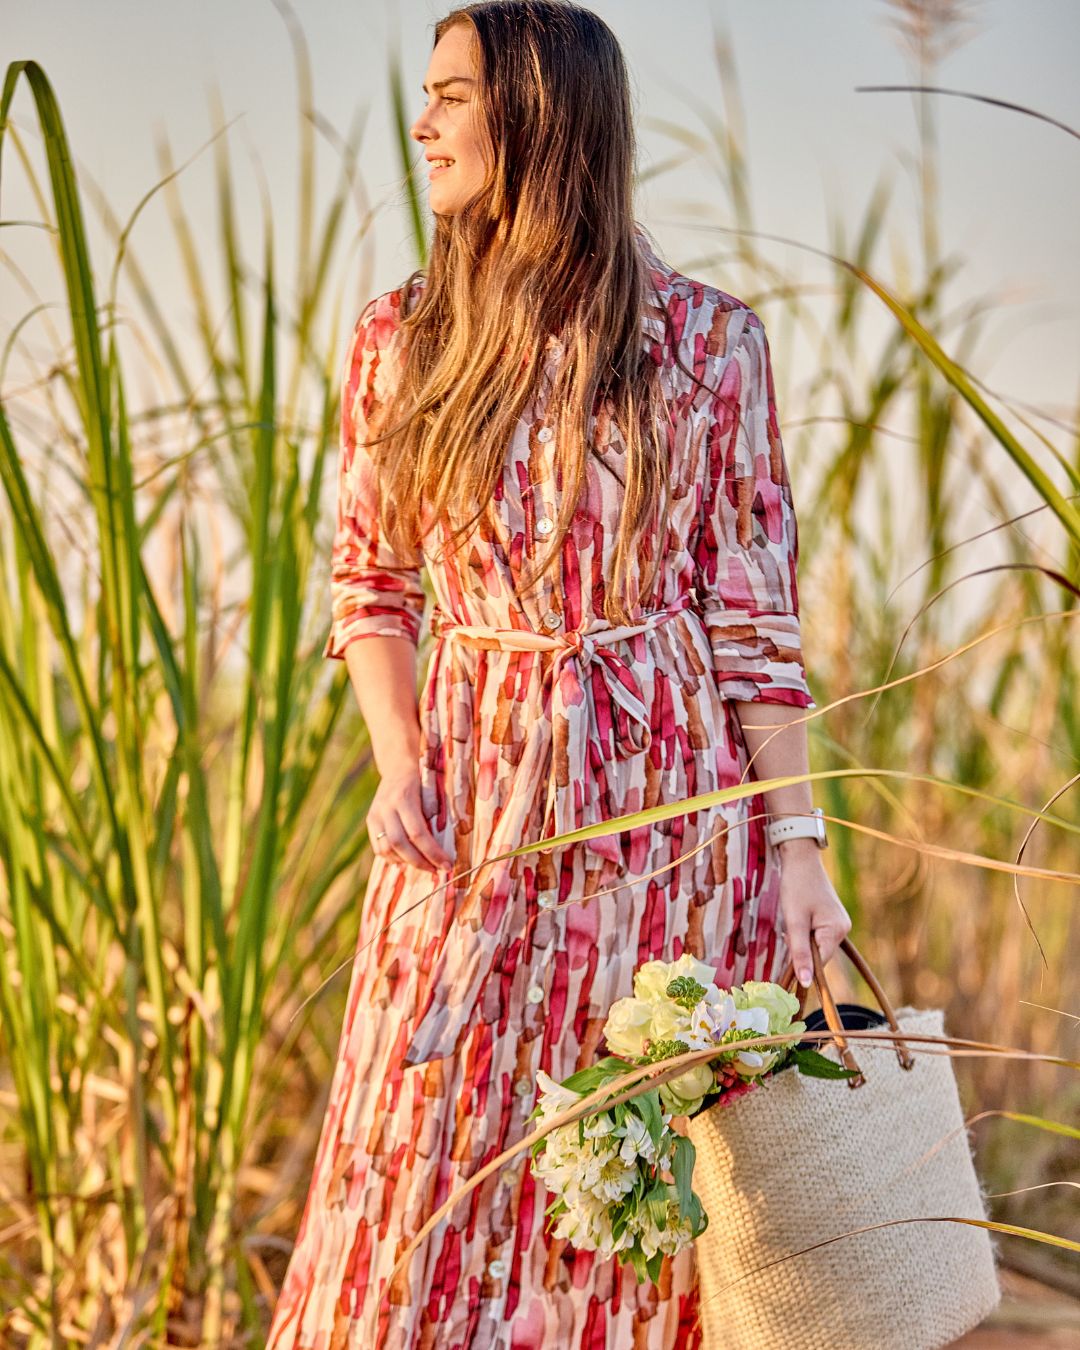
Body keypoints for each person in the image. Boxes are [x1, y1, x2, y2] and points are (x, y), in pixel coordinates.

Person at [266, 2, 852, 1345]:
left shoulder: (711, 345)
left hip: (665, 824)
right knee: (419, 1148)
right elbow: (371, 581)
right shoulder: (401, 337)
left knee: (634, 1172)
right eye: (428, 94)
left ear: (542, 113)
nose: (423, 123)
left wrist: (800, 842)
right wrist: (398, 754)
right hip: (467, 811)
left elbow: (755, 621)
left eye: (455, 95)